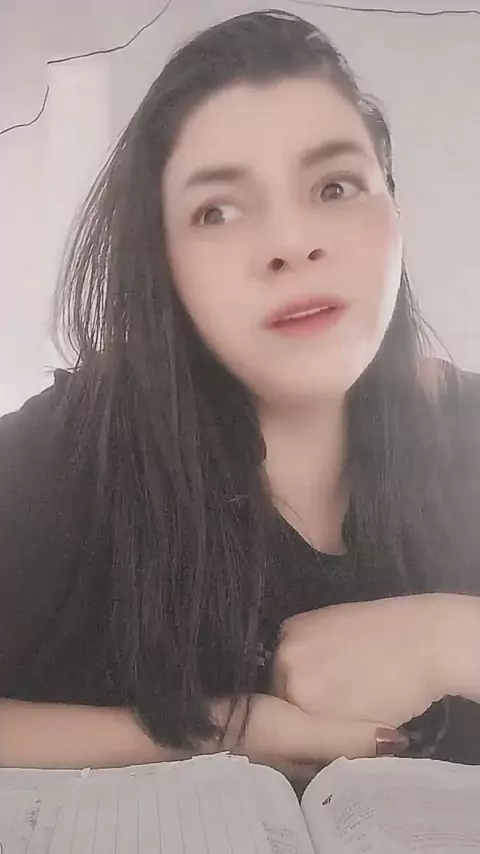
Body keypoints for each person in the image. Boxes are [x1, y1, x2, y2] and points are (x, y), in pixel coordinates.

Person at [1, 10, 480, 785]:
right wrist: (218, 733)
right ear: (163, 262)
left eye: (334, 187)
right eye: (217, 211)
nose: (291, 243)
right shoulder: (71, 454)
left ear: (395, 212)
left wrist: (453, 640)